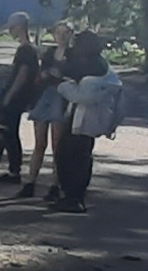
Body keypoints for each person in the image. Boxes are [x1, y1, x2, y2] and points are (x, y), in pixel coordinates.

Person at [44, 28, 119, 213]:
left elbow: (77, 88)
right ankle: (73, 196)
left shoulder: (91, 65)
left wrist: (59, 82)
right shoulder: (99, 64)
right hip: (88, 117)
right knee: (77, 155)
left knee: (71, 156)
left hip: (83, 117)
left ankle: (73, 197)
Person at [0, 12, 42, 184]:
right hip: (20, 99)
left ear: (19, 27)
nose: (11, 31)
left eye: (12, 28)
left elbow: (22, 74)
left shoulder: (25, 50)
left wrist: (9, 96)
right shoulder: (32, 48)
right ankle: (13, 171)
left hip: (14, 99)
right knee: (10, 134)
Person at [21, 22, 71, 200]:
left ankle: (54, 185)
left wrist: (62, 77)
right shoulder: (49, 53)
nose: (62, 36)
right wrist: (44, 75)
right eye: (59, 33)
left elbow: (75, 76)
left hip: (62, 97)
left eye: (65, 33)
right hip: (45, 96)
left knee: (57, 145)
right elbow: (41, 74)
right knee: (39, 143)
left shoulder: (73, 55)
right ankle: (30, 182)